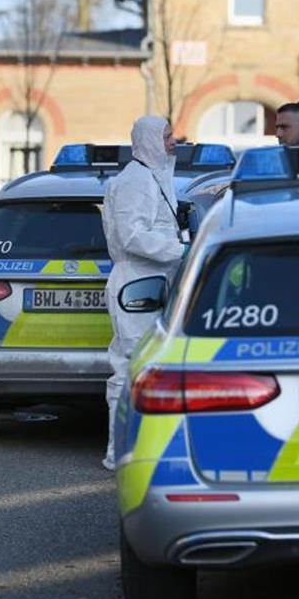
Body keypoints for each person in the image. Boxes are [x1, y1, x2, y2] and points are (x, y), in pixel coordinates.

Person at [100, 116, 186, 471]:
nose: (172, 141)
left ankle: (138, 446)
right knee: (130, 364)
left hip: (153, 281)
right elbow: (132, 236)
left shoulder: (154, 176)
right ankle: (117, 450)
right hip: (137, 282)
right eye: (166, 136)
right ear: (149, 140)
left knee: (147, 365)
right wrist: (183, 250)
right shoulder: (136, 180)